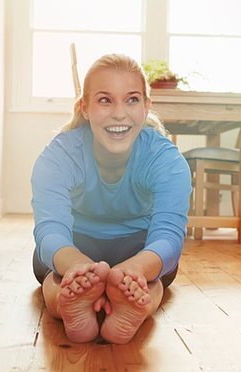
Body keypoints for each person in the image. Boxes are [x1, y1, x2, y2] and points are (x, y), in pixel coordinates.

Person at [31, 54, 191, 344]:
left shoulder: (165, 159)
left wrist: (136, 270)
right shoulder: (60, 156)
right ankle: (69, 304)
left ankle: (134, 306)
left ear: (146, 107)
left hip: (139, 246)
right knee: (51, 273)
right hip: (75, 243)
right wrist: (78, 267)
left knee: (156, 277)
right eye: (105, 100)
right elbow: (50, 230)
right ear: (86, 108)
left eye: (131, 100)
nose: (119, 113)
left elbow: (168, 235)